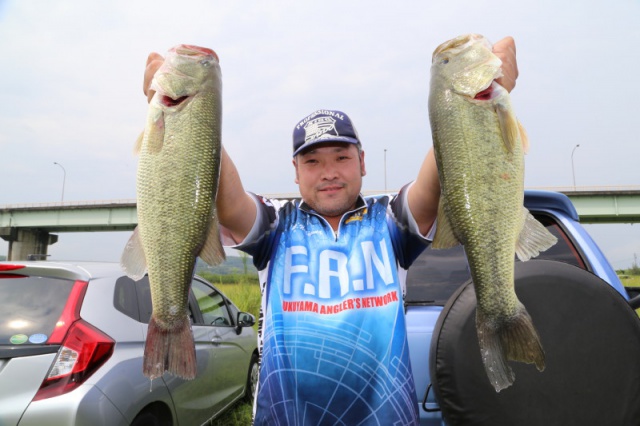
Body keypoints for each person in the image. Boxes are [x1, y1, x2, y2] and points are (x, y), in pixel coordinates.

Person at [143, 37, 518, 425]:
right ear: (295, 171)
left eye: (342, 157)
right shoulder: (275, 225)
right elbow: (222, 189)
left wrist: (477, 103)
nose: (329, 173)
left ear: (363, 162)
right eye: (313, 161)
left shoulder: (390, 221)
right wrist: (186, 119)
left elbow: (449, 160)